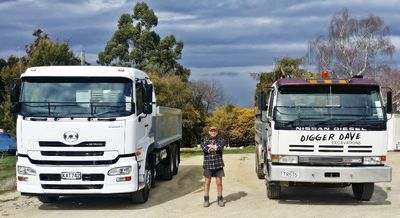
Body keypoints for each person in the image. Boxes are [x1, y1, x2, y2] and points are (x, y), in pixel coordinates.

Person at [201, 126, 225, 207]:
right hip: (208, 164)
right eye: (211, 131)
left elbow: (220, 147)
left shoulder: (221, 140)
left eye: (214, 131)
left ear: (217, 132)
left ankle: (220, 198)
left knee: (219, 183)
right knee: (207, 182)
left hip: (218, 164)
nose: (213, 132)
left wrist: (211, 147)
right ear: (209, 132)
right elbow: (204, 148)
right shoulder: (205, 140)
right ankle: (206, 199)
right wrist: (213, 147)